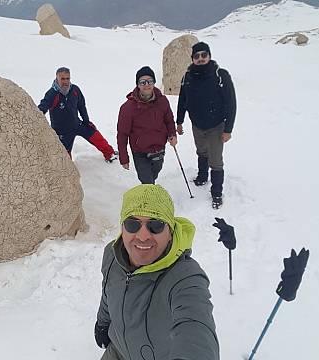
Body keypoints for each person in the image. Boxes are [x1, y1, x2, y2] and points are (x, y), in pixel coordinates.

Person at [94, 184, 220, 360]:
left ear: (170, 232)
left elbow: (196, 327)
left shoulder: (185, 277)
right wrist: (103, 322)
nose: (143, 236)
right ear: (122, 228)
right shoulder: (112, 254)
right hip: (117, 351)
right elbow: (108, 292)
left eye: (156, 225)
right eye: (132, 224)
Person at [176, 42, 237, 209]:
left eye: (204, 55)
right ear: (192, 59)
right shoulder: (188, 77)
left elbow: (231, 103)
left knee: (216, 160)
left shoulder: (220, 75)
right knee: (201, 151)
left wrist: (228, 129)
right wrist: (179, 121)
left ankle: (216, 193)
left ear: (209, 56)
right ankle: (202, 176)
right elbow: (183, 100)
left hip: (216, 125)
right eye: (197, 56)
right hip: (197, 124)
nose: (200, 59)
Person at [38, 67, 118, 162]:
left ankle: (110, 154)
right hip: (62, 132)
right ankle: (68, 172)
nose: (65, 81)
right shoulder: (52, 94)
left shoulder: (75, 90)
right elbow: (41, 110)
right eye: (62, 79)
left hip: (77, 124)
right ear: (57, 78)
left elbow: (81, 106)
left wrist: (86, 121)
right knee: (65, 159)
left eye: (68, 78)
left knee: (95, 135)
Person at [117, 66, 177, 184]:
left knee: (154, 174)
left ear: (154, 83)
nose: (146, 85)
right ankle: (149, 200)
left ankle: (149, 191)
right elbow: (122, 134)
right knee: (147, 182)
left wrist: (172, 134)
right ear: (138, 85)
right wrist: (124, 157)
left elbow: (169, 120)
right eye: (142, 82)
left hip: (159, 148)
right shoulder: (128, 108)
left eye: (150, 81)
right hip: (140, 152)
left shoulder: (162, 101)